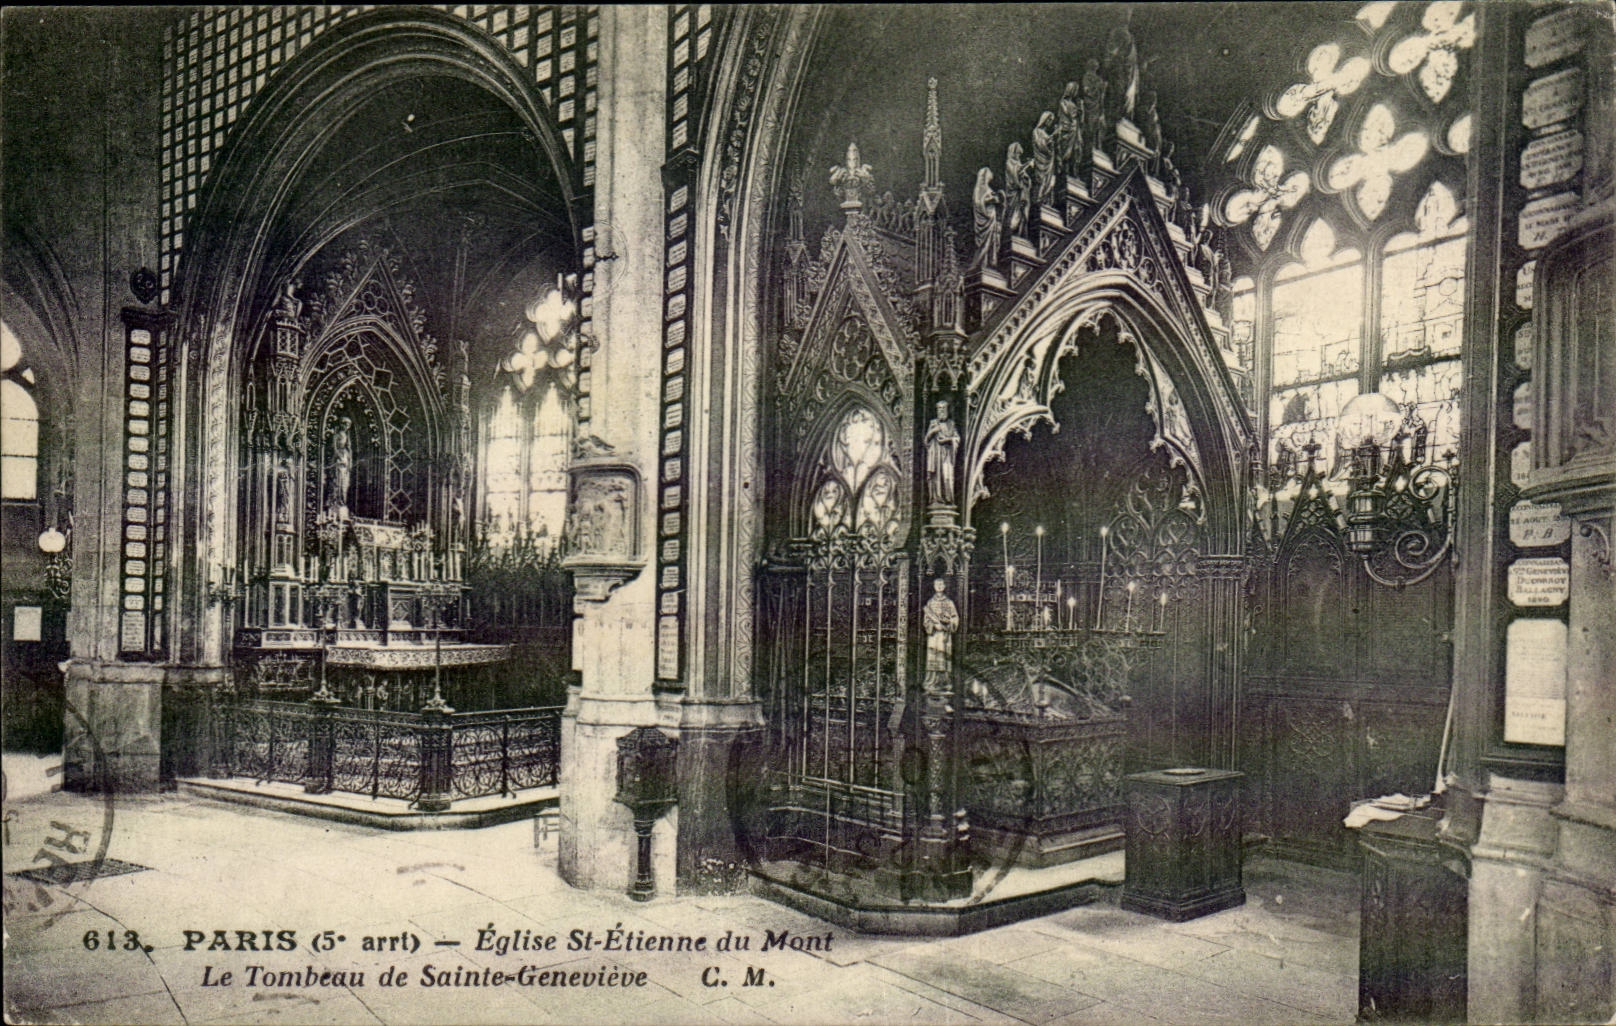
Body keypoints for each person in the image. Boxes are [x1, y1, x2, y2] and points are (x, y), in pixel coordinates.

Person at [922, 578, 960, 688]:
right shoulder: (930, 602)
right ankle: (931, 680)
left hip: (944, 635)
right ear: (934, 586)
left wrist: (947, 624)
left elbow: (955, 618)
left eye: (941, 584)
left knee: (943, 656)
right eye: (937, 584)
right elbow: (926, 620)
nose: (939, 586)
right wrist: (933, 625)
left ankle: (945, 681)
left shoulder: (949, 602)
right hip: (934, 635)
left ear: (944, 586)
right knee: (933, 656)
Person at [923, 400, 960, 506]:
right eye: (939, 408)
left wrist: (948, 440)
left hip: (947, 455)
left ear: (947, 410)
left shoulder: (951, 424)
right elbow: (926, 440)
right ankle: (936, 498)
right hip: (935, 456)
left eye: (944, 408)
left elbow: (957, 438)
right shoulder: (933, 423)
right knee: (935, 476)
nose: (941, 411)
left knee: (947, 476)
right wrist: (933, 431)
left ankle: (948, 499)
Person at [971, 167, 1001, 270]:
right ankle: (981, 263)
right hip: (984, 219)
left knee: (992, 240)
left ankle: (990, 263)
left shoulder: (988, 189)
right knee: (984, 242)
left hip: (991, 217)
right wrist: (990, 199)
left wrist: (995, 199)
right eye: (988, 174)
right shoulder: (979, 188)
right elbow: (978, 203)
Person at [327, 416, 353, 515]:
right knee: (337, 482)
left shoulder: (347, 438)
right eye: (345, 424)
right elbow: (334, 448)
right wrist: (339, 457)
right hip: (338, 460)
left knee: (344, 484)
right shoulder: (336, 435)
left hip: (344, 461)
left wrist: (349, 461)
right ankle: (336, 502)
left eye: (348, 425)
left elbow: (349, 451)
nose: (346, 427)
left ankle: (342, 502)